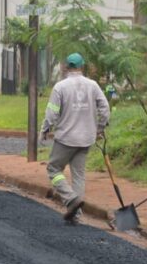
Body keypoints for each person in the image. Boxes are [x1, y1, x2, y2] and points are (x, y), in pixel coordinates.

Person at [41, 53, 110, 225]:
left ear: (66, 67)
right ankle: (76, 215)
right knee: (78, 176)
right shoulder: (92, 85)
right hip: (86, 138)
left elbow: (51, 112)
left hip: (66, 138)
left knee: (54, 169)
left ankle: (71, 199)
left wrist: (45, 129)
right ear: (82, 66)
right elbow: (105, 107)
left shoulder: (60, 87)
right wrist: (100, 127)